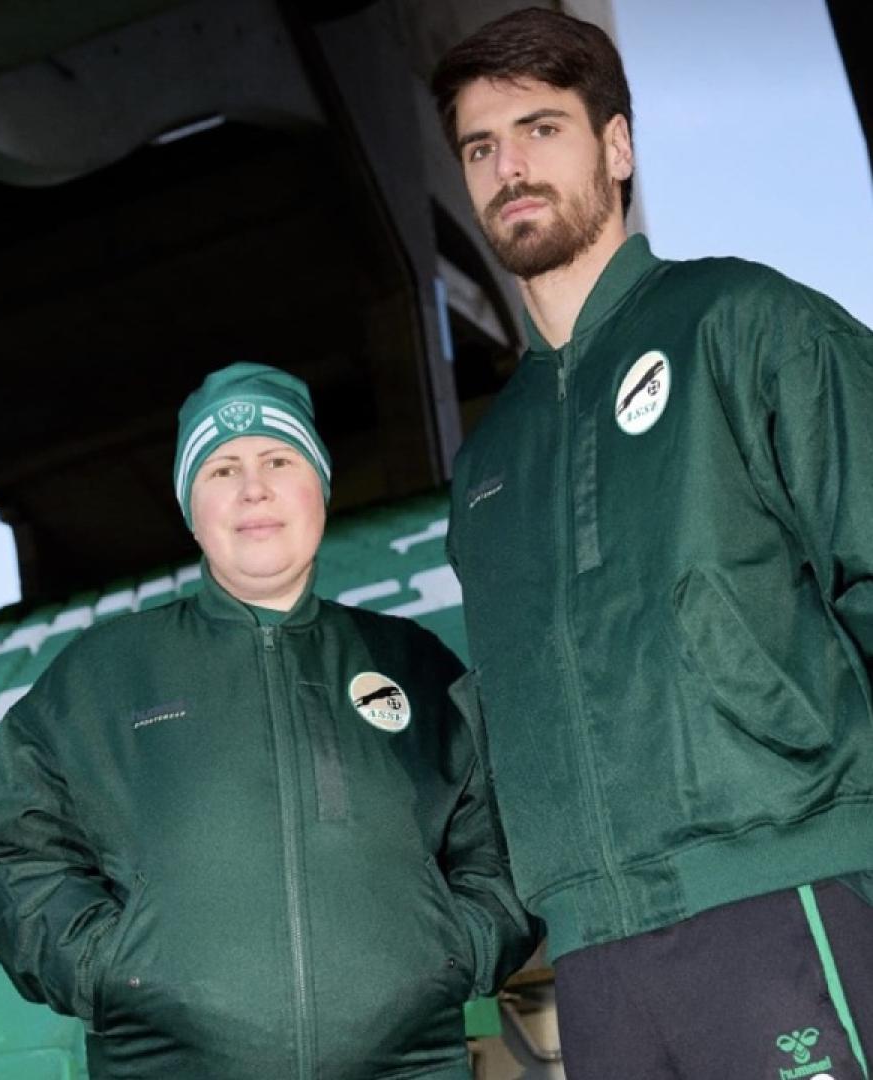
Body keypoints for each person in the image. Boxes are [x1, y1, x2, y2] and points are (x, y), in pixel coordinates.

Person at [432, 9, 873, 1077]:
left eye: (542, 129)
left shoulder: (744, 322)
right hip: (595, 961)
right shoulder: (488, 467)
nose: (510, 168)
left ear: (617, 149)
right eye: (482, 148)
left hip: (782, 895)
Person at [0, 362, 534, 1078]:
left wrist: (462, 947)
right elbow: (10, 849)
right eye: (221, 469)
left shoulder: (415, 663)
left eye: (278, 458)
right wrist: (103, 968)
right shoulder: (104, 674)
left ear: (318, 487)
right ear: (192, 510)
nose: (253, 487)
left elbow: (505, 837)